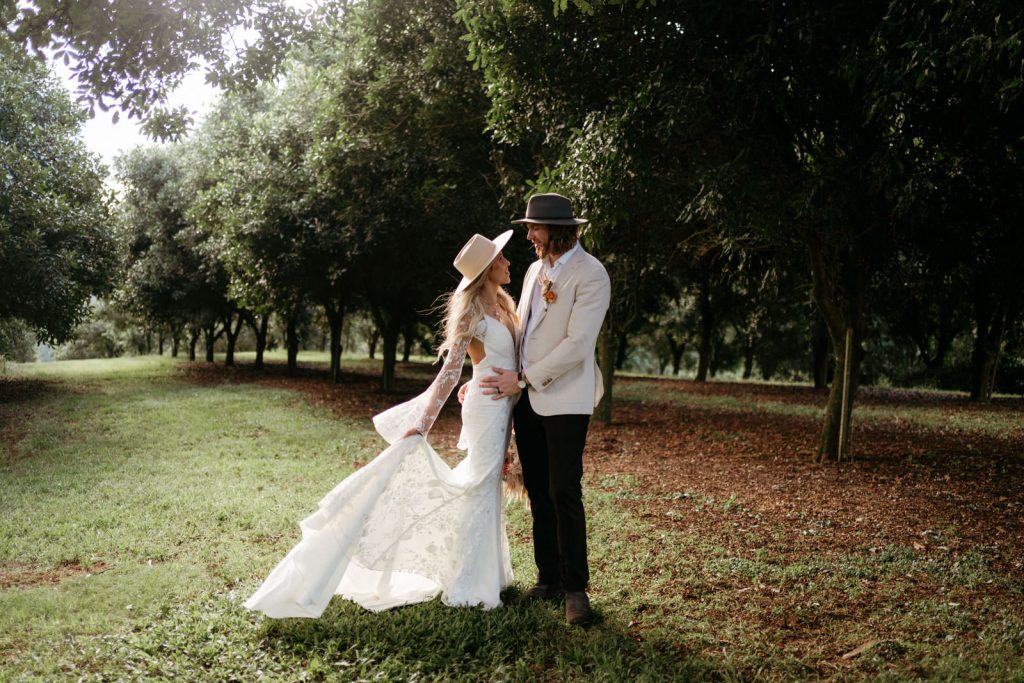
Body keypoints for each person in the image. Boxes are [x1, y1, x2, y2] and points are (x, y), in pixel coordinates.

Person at [244, 230, 518, 617]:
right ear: (489, 268)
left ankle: (486, 571)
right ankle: (472, 580)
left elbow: (496, 361)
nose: (508, 263)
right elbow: (449, 374)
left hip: (501, 404)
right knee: (480, 484)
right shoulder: (472, 313)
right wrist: (420, 425)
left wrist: (486, 375)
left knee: (484, 484)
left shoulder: (506, 307)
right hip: (487, 410)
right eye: (502, 259)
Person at [478, 193, 611, 626]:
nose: (529, 235)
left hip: (566, 398)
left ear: (557, 230)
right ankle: (548, 577)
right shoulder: (536, 269)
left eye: (534, 228)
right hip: (527, 399)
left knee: (564, 491)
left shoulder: (592, 274)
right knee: (537, 489)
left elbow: (577, 345)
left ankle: (577, 590)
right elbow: (525, 331)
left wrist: (527, 378)